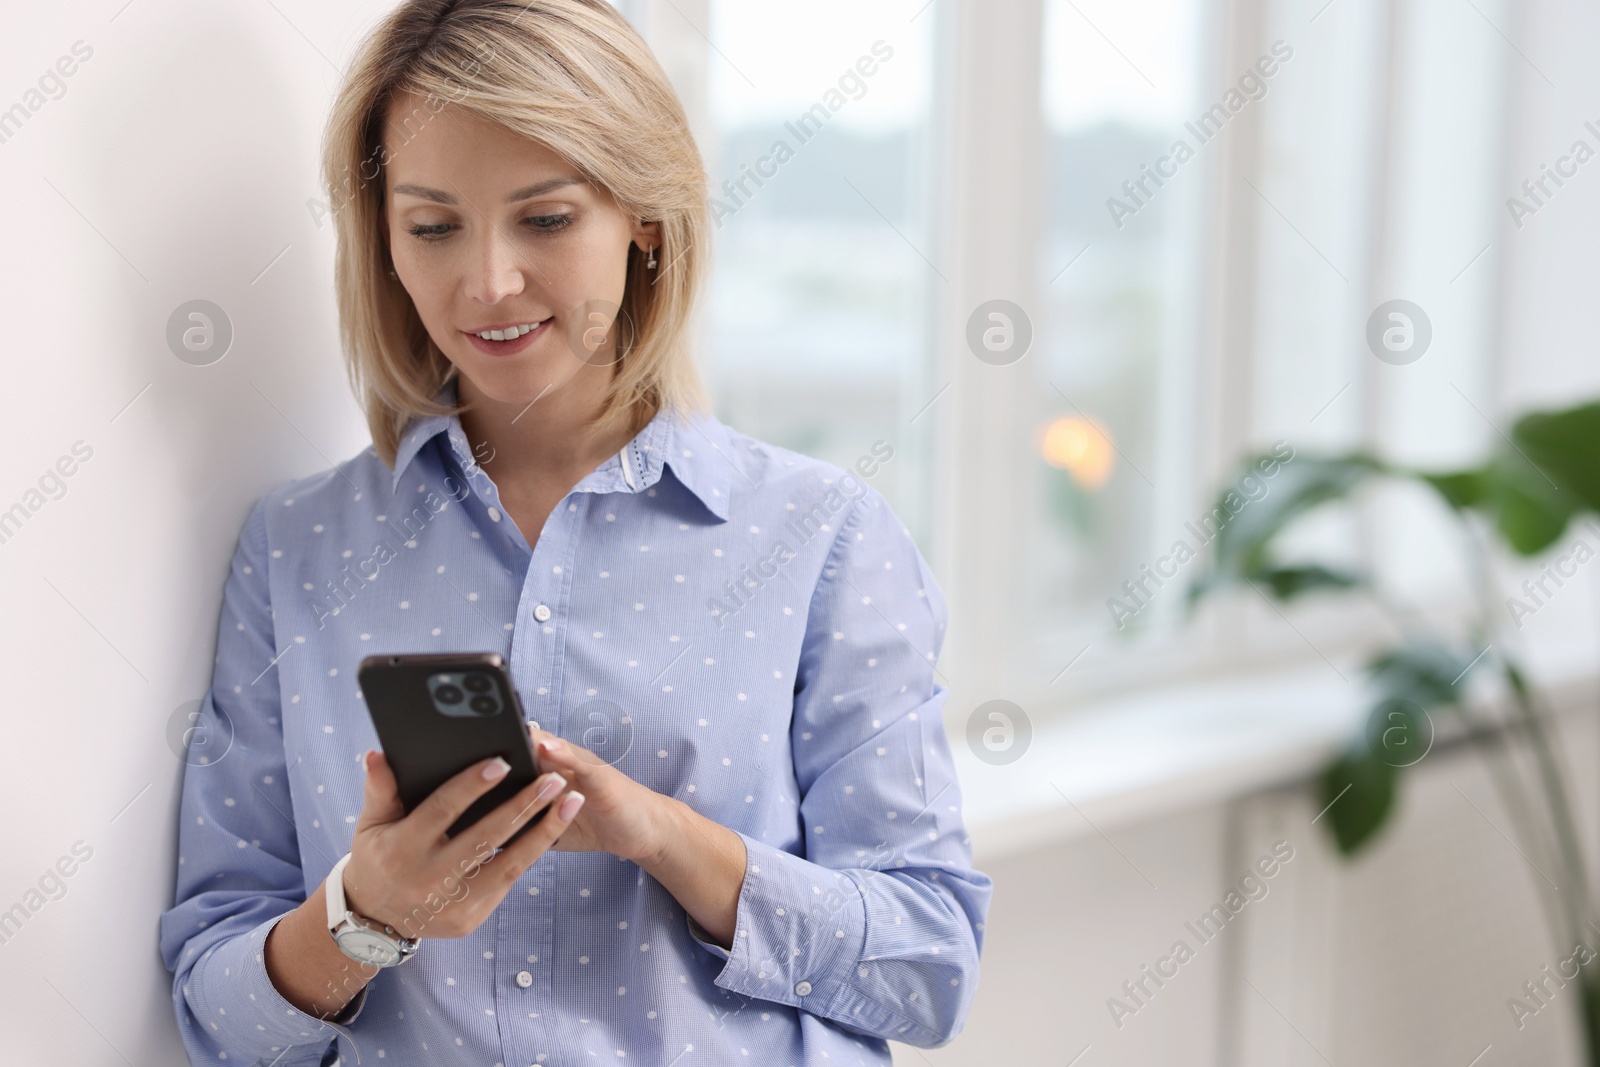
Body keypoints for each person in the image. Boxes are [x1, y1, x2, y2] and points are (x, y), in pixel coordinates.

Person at [157, 1, 992, 1064]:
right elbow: (211, 1011)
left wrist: (663, 835)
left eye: (545, 219)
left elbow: (928, 970)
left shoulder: (822, 536)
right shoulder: (297, 546)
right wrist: (366, 913)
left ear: (645, 214)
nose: (488, 281)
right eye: (431, 225)